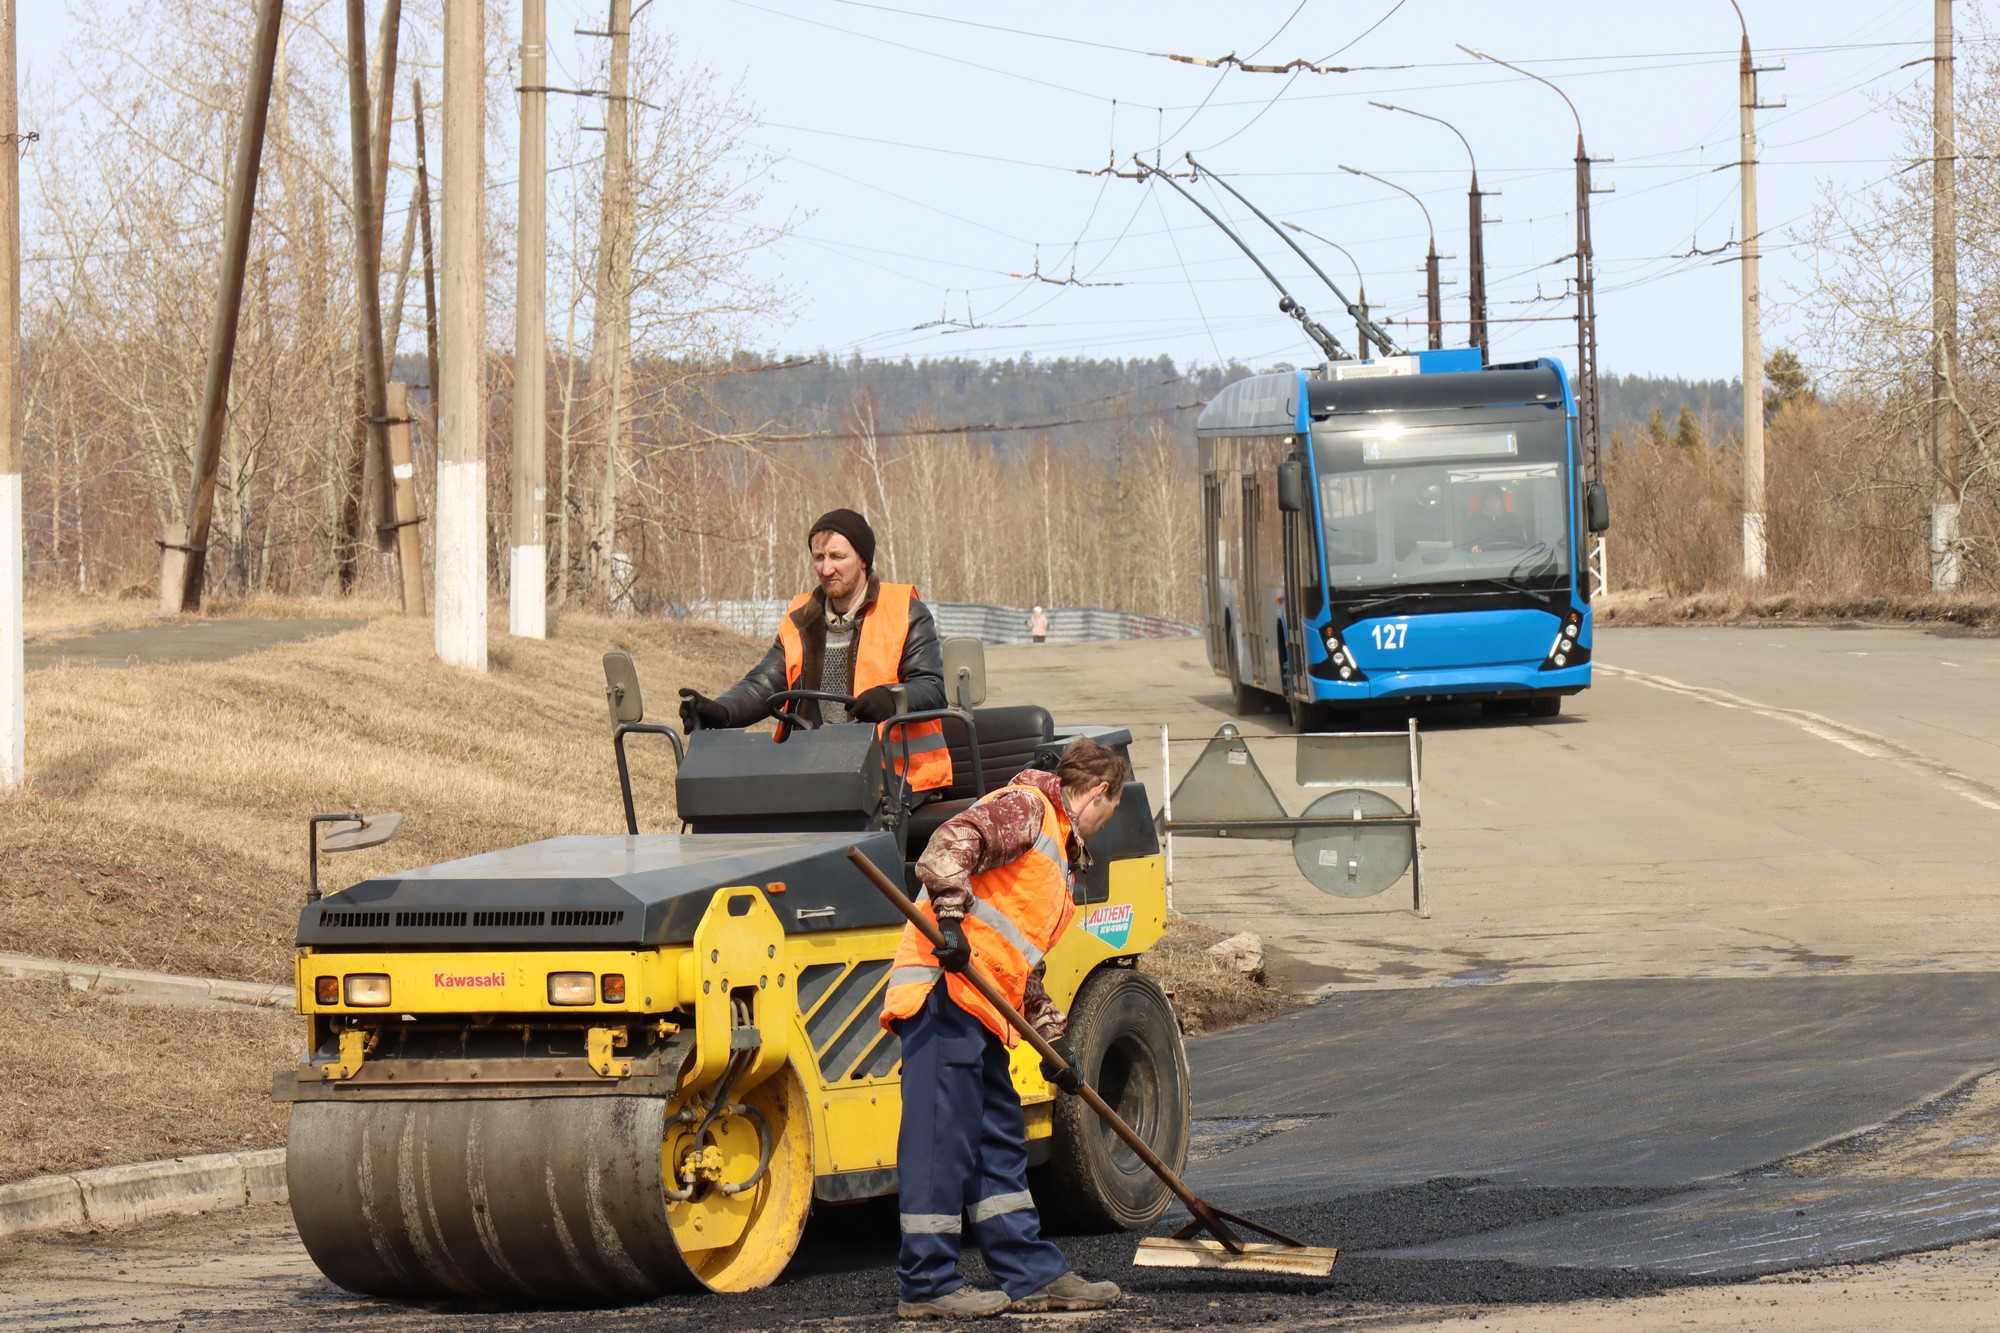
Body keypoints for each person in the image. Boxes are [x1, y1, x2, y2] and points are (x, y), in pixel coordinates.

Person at [878, 739, 1132, 1319]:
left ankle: (1032, 1275)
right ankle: (927, 1283)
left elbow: (1021, 961)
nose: (1102, 826)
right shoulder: (1026, 808)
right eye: (1107, 813)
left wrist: (1052, 1038)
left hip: (985, 1009)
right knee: (942, 1140)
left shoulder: (1058, 860)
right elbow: (948, 843)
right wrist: (946, 918)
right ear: (1097, 793)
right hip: (942, 996)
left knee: (998, 1141)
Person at [678, 509, 953, 795]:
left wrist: (889, 697)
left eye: (837, 557)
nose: (825, 569)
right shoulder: (801, 618)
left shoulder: (906, 611)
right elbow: (763, 684)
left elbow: (932, 688)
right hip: (813, 769)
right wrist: (721, 710)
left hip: (899, 779)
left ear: (863, 559)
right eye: (819, 558)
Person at [1463, 485, 1528, 554]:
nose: (1493, 502)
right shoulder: (1474, 520)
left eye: (1496, 498)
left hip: (1509, 560)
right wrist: (1472, 548)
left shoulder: (1512, 519)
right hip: (1480, 561)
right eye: (1489, 499)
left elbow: (1521, 544)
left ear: (1501, 501)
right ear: (1484, 501)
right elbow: (1467, 543)